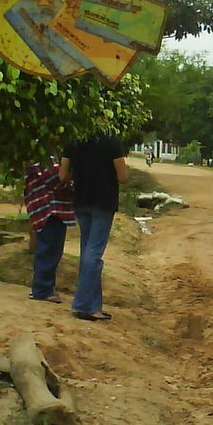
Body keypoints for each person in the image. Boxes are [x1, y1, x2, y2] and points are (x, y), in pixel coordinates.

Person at [59, 131, 127, 322]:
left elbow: (62, 175)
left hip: (81, 200)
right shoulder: (112, 141)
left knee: (87, 251)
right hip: (104, 203)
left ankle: (94, 306)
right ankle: (83, 305)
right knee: (94, 254)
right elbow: (123, 176)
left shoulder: (74, 140)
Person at [24, 156, 75, 303]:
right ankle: (42, 289)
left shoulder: (45, 154)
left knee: (51, 249)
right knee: (49, 249)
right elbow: (56, 178)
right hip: (49, 209)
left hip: (49, 208)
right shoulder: (46, 157)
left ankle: (44, 288)